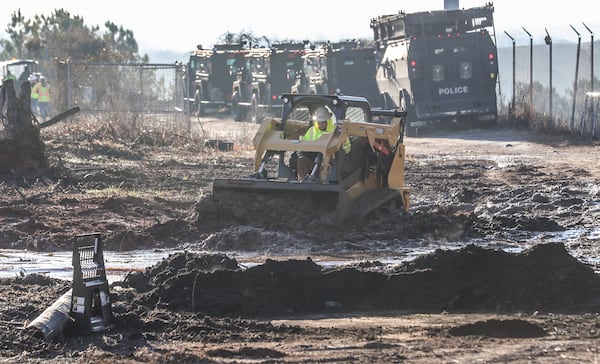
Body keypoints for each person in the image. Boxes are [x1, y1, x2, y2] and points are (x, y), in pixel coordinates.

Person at [295, 106, 351, 181]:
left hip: (329, 162)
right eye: (319, 122)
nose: (321, 124)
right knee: (301, 160)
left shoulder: (336, 132)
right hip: (313, 160)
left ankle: (323, 181)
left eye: (323, 122)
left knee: (327, 158)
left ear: (328, 120)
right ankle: (303, 182)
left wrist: (340, 148)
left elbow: (347, 147)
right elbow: (304, 144)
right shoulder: (311, 131)